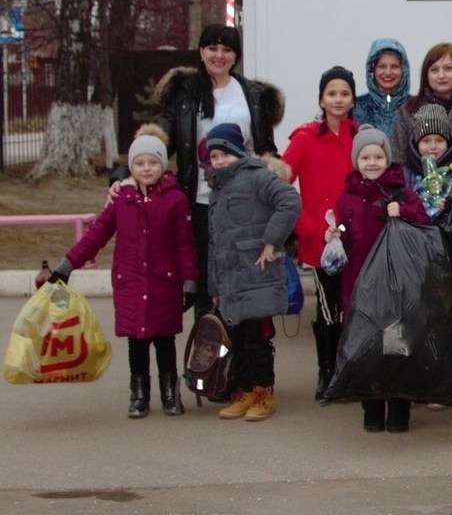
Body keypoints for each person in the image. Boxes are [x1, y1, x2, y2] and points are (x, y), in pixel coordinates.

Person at [48, 126, 197, 418]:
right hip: (129, 281)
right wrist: (67, 265)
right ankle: (139, 394)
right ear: (131, 167)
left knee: (165, 339)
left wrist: (190, 280)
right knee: (137, 341)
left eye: (152, 162)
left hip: (163, 282)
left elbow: (184, 244)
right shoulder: (122, 199)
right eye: (139, 163)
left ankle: (170, 391)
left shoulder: (175, 200)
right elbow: (96, 235)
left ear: (163, 165)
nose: (146, 168)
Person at [146, 24, 283, 319]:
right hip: (201, 204)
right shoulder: (185, 94)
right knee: (207, 289)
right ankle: (207, 361)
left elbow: (266, 148)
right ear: (201, 52)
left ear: (235, 56)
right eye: (212, 48)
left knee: (245, 282)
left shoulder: (253, 95)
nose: (219, 55)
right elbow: (160, 137)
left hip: (245, 204)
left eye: (226, 49)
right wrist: (125, 173)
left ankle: (247, 360)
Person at [330, 126, 431, 433]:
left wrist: (404, 212)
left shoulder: (402, 192)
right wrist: (334, 238)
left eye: (378, 156)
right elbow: (346, 238)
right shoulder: (347, 197)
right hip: (360, 286)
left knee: (395, 348)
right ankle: (372, 407)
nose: (372, 162)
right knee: (366, 349)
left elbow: (425, 224)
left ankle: (399, 408)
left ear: (387, 159)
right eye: (365, 157)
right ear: (355, 160)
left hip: (396, 289)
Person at [204, 122, 301, 423]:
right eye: (214, 156)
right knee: (239, 338)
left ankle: (263, 392)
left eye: (224, 154)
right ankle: (244, 390)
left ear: (238, 152)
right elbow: (215, 241)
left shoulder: (256, 176)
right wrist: (215, 285)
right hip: (231, 279)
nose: (219, 161)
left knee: (256, 338)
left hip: (256, 273)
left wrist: (272, 240)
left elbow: (290, 201)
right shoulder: (217, 190)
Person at [281, 66, 359, 400]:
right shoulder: (304, 139)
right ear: (321, 99)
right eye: (332, 93)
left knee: (354, 307)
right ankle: (326, 371)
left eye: (344, 93)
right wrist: (308, 227)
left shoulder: (361, 136)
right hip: (321, 241)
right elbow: (279, 188)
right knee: (327, 309)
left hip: (356, 239)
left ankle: (350, 370)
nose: (338, 99)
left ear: (353, 98)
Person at [391, 43, 452, 159]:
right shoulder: (408, 109)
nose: (441, 75)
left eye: (448, 68)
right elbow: (397, 158)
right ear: (426, 75)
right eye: (434, 70)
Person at [404, 103, 452, 222]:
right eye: (426, 141)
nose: (433, 146)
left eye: (439, 140)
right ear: (416, 144)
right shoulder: (405, 176)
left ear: (448, 143)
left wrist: (451, 207)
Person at [353, 38, 410, 136]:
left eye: (394, 66)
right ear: (372, 70)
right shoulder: (356, 108)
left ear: (403, 70)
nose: (388, 72)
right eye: (382, 66)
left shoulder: (416, 107)